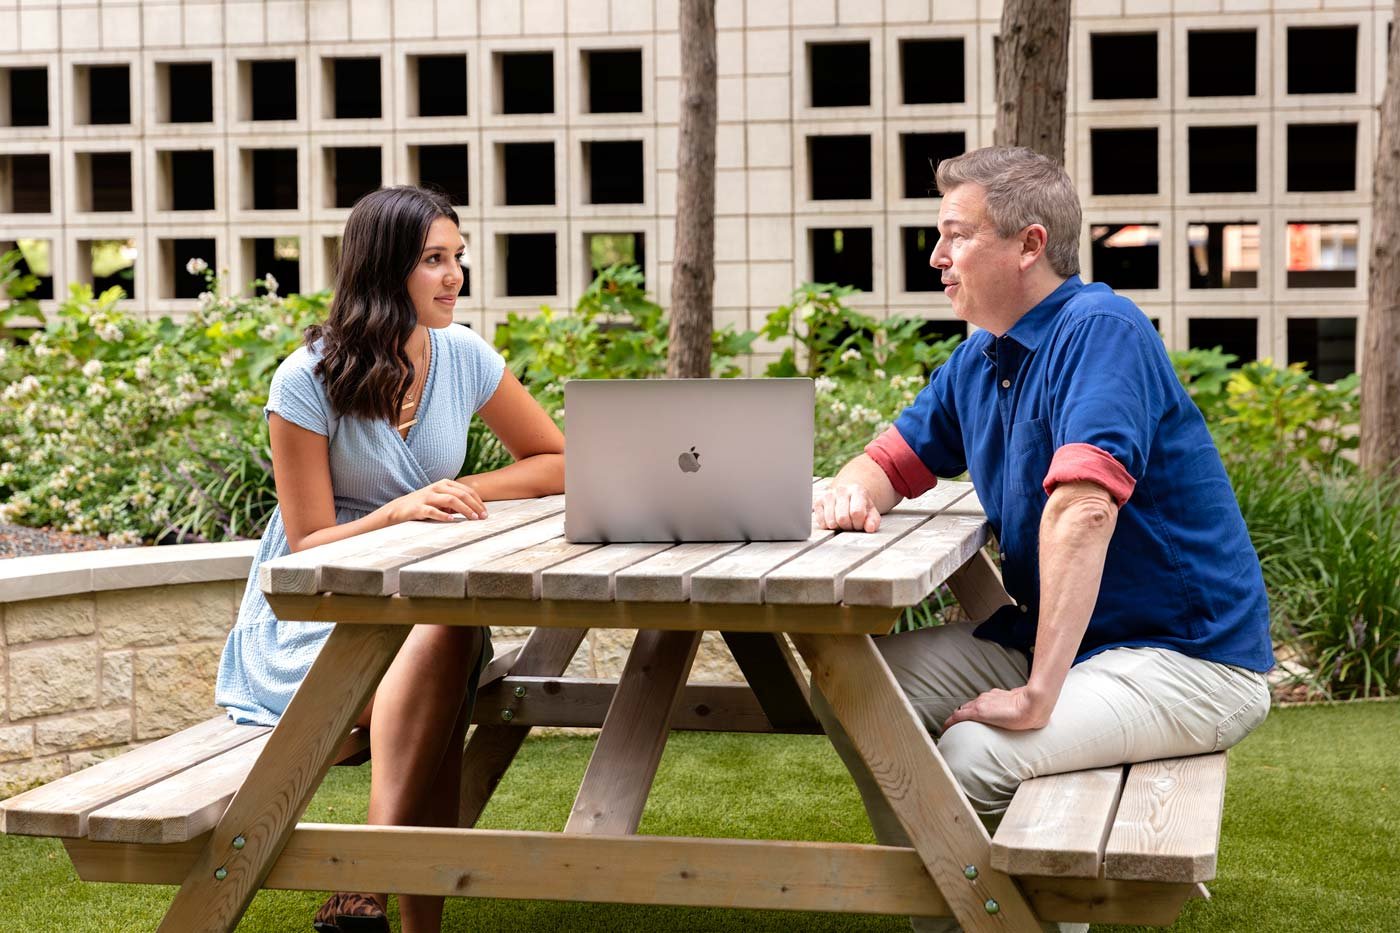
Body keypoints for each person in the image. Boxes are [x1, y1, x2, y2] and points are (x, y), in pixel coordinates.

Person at [811, 147, 1274, 932]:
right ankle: (960, 915)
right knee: (853, 688)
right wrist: (853, 490)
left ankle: (1006, 920)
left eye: (956, 234)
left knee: (974, 756)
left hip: (1186, 658)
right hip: (1077, 642)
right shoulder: (979, 358)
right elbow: (887, 460)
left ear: (1029, 245)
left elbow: (1083, 510)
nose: (936, 255)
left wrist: (1037, 693)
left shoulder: (1102, 330)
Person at [215, 186, 565, 933]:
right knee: (450, 645)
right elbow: (305, 543)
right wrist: (395, 510)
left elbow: (555, 458)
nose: (454, 276)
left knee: (447, 631)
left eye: (457, 257)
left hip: (424, 610)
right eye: (433, 260)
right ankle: (392, 902)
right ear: (383, 270)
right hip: (316, 622)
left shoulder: (462, 353)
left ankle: (367, 882)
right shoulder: (304, 379)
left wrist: (461, 487)